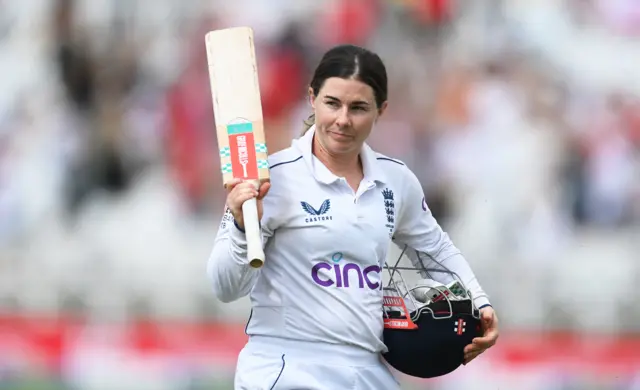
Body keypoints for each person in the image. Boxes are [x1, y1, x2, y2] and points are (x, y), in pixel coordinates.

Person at [207, 44, 499, 390]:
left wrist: (479, 302)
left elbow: (435, 249)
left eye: (358, 107)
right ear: (312, 98)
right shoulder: (271, 177)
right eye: (332, 103)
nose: (342, 119)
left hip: (365, 369)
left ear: (381, 110)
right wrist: (242, 226)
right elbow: (224, 287)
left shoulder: (397, 180)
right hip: (286, 367)